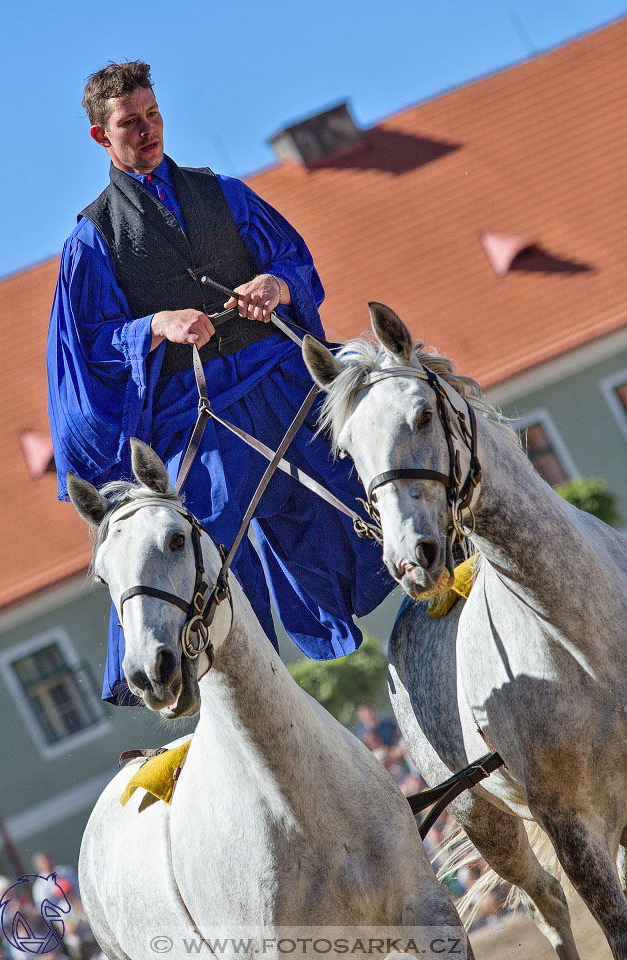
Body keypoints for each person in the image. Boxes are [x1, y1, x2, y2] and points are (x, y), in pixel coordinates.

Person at [47, 61, 392, 705]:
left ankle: (440, 579)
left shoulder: (226, 192)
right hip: (197, 418)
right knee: (204, 561)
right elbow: (85, 347)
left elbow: (297, 264)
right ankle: (230, 700)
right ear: (101, 136)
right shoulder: (91, 242)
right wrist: (155, 325)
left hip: (282, 385)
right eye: (129, 123)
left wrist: (276, 285)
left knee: (375, 483)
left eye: (152, 114)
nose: (147, 130)